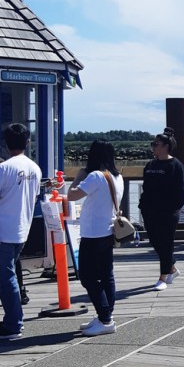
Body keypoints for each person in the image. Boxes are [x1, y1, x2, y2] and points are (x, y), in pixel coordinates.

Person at [0, 123, 42, 340]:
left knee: (5, 278)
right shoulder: (35, 168)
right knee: (11, 275)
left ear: (5, 145)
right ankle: (13, 317)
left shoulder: (2, 169)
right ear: (27, 142)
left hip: (1, 231)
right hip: (23, 229)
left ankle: (14, 323)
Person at [66, 140, 123, 336]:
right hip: (108, 232)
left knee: (88, 277)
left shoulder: (95, 176)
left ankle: (105, 318)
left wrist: (79, 176)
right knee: (107, 275)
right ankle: (105, 316)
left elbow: (71, 195)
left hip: (92, 234)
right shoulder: (117, 177)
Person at [139, 128, 184, 292]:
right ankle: (172, 268)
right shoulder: (150, 165)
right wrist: (142, 205)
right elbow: (146, 187)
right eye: (152, 144)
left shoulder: (176, 165)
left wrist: (174, 208)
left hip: (168, 211)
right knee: (155, 241)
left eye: (156, 144)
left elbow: (181, 190)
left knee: (166, 243)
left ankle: (163, 277)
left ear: (166, 146)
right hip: (149, 210)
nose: (153, 147)